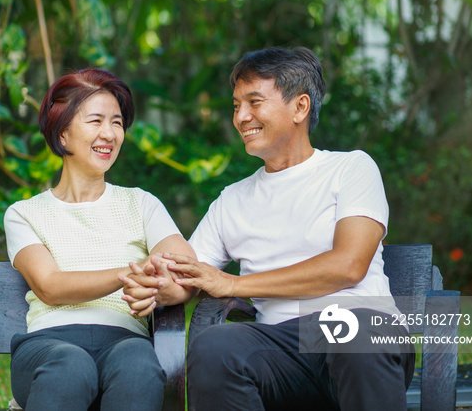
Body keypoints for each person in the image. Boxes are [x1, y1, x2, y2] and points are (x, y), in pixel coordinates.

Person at [121, 47, 415, 411]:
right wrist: (162, 287)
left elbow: (347, 266)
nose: (241, 116)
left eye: (254, 102)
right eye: (235, 105)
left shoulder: (351, 169)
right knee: (215, 347)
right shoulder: (233, 199)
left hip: (360, 332)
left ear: (300, 107)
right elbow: (189, 274)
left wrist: (233, 284)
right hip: (280, 347)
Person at [3, 68, 196, 411]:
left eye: (117, 123)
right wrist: (132, 274)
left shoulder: (141, 204)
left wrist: (160, 285)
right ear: (62, 135)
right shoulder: (24, 213)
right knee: (69, 368)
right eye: (96, 121)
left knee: (139, 366)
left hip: (124, 339)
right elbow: (50, 286)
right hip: (49, 343)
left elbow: (185, 269)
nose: (109, 133)